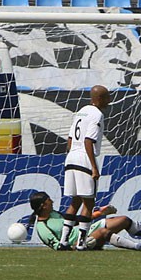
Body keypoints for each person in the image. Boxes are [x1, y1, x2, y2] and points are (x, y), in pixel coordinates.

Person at [28, 191, 141, 251]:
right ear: (42, 206)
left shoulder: (54, 213)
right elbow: (58, 248)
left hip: (85, 231)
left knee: (124, 220)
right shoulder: (42, 227)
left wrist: (99, 213)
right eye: (49, 200)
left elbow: (77, 223)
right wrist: (76, 246)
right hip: (78, 243)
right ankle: (140, 247)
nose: (52, 201)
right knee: (105, 232)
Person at [58, 85, 111, 250]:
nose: (109, 100)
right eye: (107, 97)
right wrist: (94, 168)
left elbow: (69, 139)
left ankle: (63, 241)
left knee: (75, 201)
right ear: (100, 98)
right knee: (89, 202)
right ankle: (81, 243)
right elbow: (89, 141)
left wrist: (71, 155)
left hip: (71, 156)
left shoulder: (81, 111)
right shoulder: (97, 115)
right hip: (84, 158)